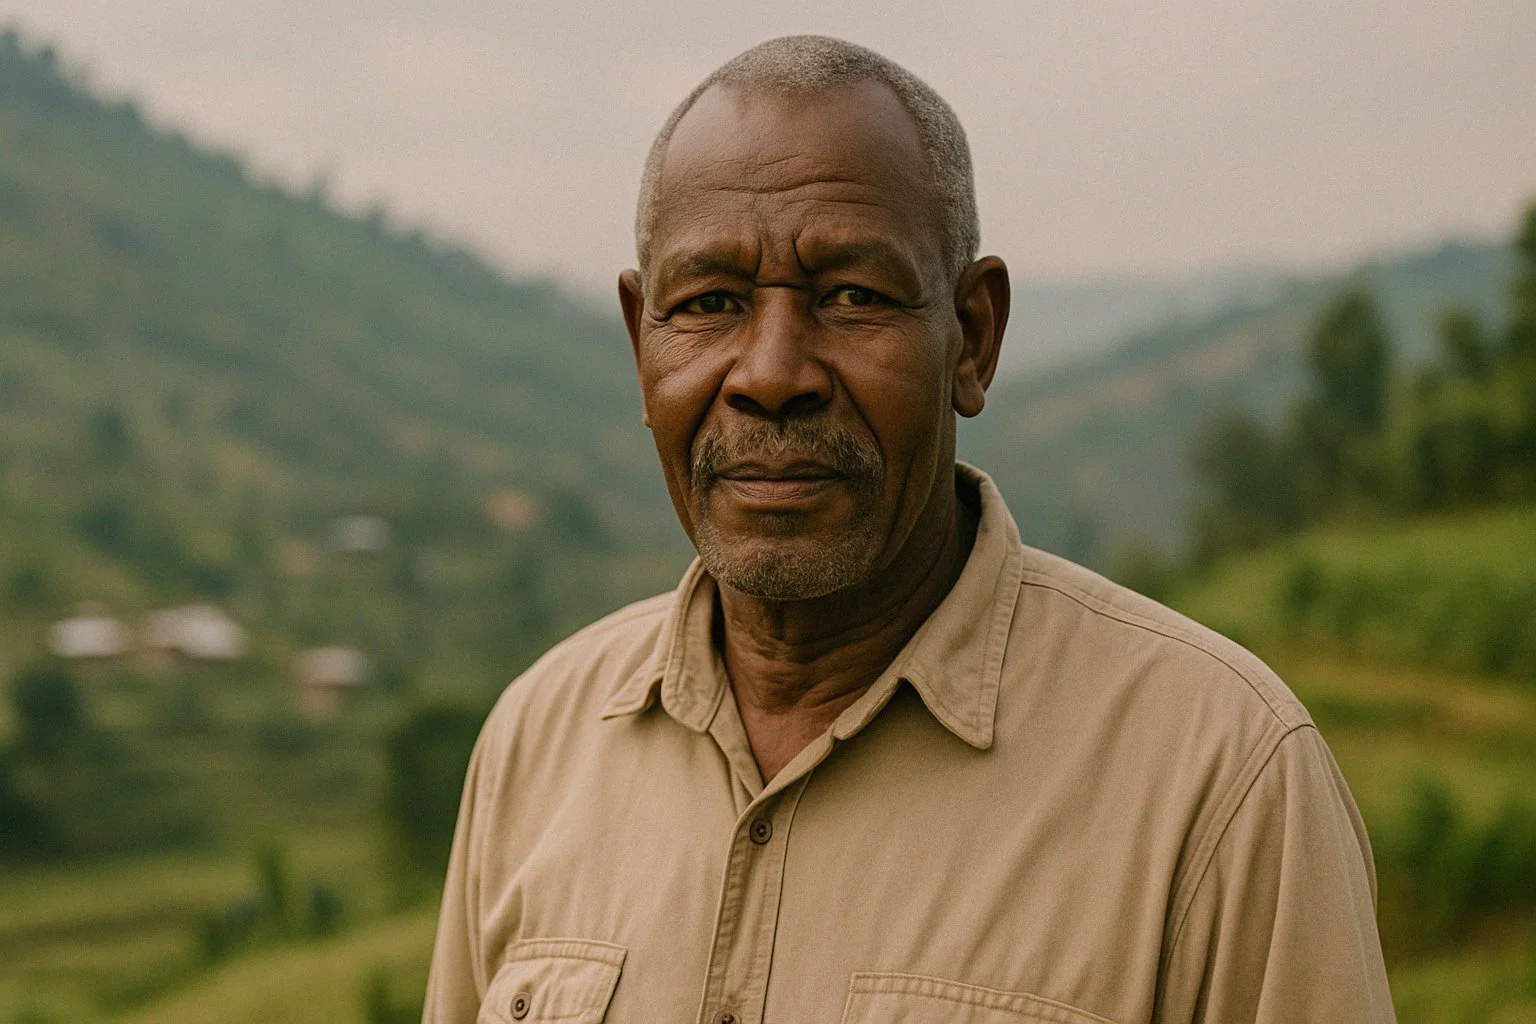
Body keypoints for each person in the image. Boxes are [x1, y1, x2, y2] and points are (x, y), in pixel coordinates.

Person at [424, 35, 1394, 1024]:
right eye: (710, 302)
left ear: (972, 337)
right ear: (642, 343)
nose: (770, 375)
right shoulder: (536, 744)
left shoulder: (1220, 774)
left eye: (853, 296)